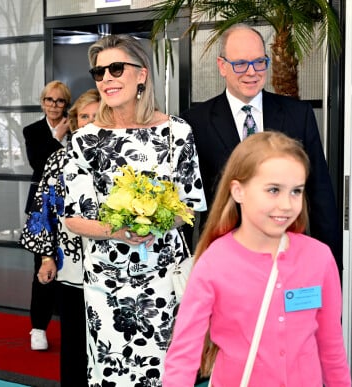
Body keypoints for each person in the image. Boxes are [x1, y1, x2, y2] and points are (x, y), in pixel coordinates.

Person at [62, 34, 207, 386]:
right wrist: (119, 229)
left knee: (168, 373)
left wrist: (153, 221)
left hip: (164, 279)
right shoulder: (85, 139)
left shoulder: (176, 132)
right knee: (112, 375)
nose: (106, 79)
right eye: (99, 73)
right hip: (106, 284)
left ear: (142, 74)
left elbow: (190, 202)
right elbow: (72, 217)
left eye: (115, 68)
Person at [163, 131, 350, 386]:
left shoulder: (319, 258)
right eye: (273, 190)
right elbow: (184, 356)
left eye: (296, 191)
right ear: (238, 191)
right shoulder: (213, 263)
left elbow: (332, 348)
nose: (286, 204)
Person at [180, 23, 341, 267]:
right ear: (222, 66)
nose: (252, 72)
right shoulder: (195, 122)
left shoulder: (298, 114)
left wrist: (329, 260)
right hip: (225, 257)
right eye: (240, 64)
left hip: (288, 251)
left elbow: (318, 190)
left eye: (259, 62)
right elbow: (190, 201)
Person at [20, 89, 100, 386]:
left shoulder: (123, 157)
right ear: (75, 122)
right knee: (75, 343)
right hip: (72, 268)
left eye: (97, 116)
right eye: (84, 116)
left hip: (114, 271)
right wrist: (45, 256)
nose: (90, 122)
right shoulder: (59, 160)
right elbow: (43, 212)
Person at [23, 80, 72, 351]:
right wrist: (56, 139)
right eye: (49, 100)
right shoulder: (33, 130)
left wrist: (67, 134)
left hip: (73, 209)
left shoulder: (78, 127)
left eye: (60, 101)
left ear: (66, 104)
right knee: (42, 268)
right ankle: (38, 328)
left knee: (73, 269)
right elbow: (37, 163)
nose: (54, 106)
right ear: (42, 102)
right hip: (42, 210)